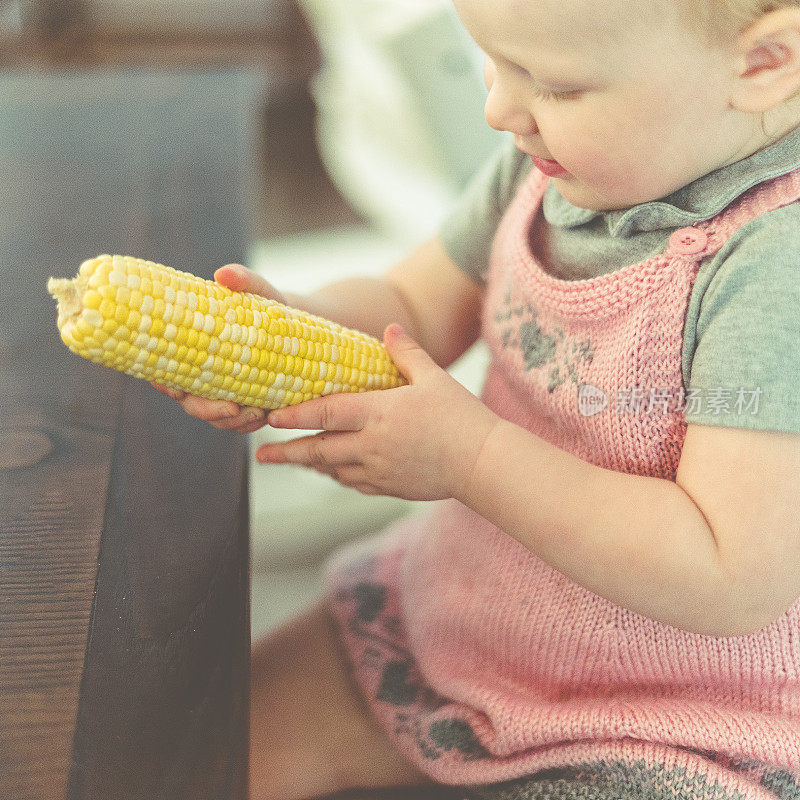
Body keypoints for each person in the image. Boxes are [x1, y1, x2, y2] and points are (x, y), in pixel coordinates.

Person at [154, 0, 800, 797]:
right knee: (183, 747)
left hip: (679, 715)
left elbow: (727, 574)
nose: (499, 109)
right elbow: (414, 304)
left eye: (557, 87)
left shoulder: (777, 271)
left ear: (764, 65)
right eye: (495, 60)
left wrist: (471, 456)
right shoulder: (553, 167)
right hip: (472, 616)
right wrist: (285, 329)